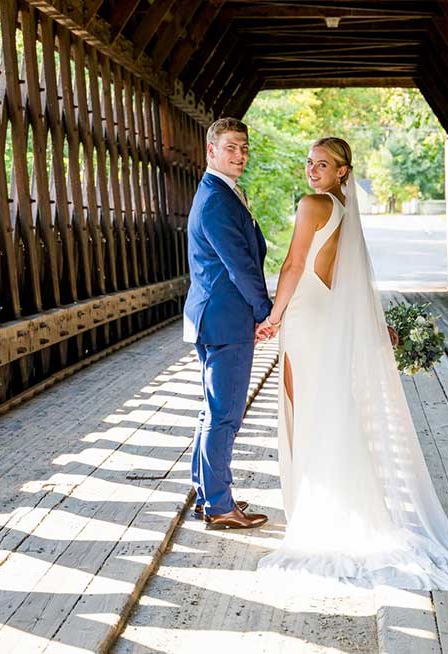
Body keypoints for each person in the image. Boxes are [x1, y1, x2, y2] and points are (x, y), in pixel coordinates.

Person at [255, 137, 448, 590]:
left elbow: (292, 265)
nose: (312, 170)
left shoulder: (312, 205)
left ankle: (318, 514)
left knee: (304, 412)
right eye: (309, 163)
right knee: (326, 411)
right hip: (323, 315)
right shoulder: (344, 210)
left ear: (343, 171)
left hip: (306, 316)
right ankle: (336, 509)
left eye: (322, 164)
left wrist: (273, 316)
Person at [182, 117, 271, 531]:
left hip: (213, 314)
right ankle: (219, 506)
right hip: (226, 317)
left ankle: (208, 494)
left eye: (245, 148)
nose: (239, 155)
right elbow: (239, 264)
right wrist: (264, 310)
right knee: (224, 415)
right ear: (211, 151)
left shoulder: (219, 192)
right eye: (231, 147)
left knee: (212, 411)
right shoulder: (217, 198)